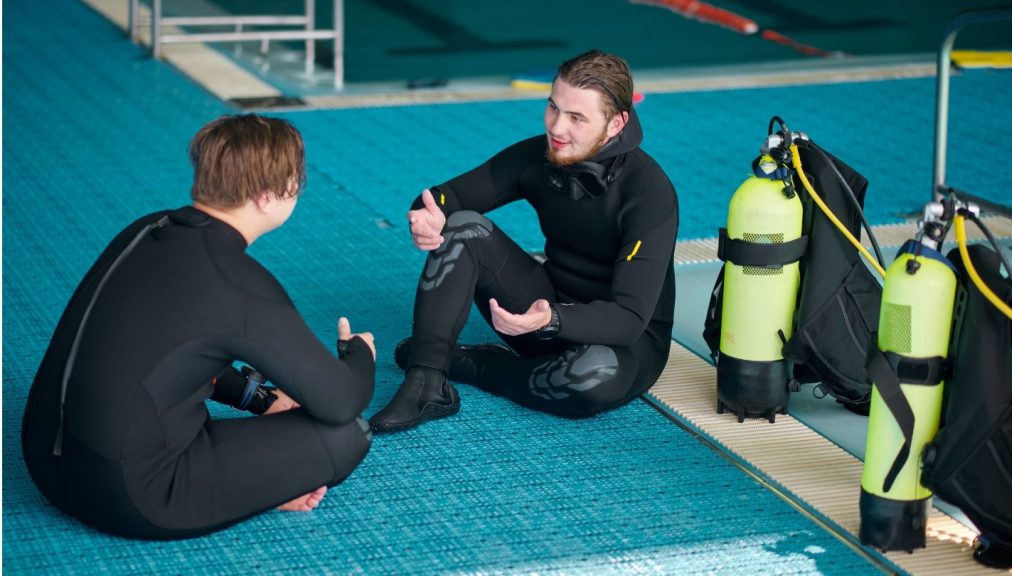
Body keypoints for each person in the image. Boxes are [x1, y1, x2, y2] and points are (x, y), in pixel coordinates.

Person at [21, 114, 376, 540]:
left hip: (45, 458)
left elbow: (171, 346)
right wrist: (359, 354)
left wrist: (260, 399)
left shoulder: (148, 228)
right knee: (347, 436)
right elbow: (341, 400)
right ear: (270, 196)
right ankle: (256, 490)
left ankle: (245, 481)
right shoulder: (239, 284)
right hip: (131, 494)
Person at [370, 50, 678, 433]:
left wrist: (553, 318)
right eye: (553, 107)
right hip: (539, 310)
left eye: (577, 118)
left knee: (590, 379)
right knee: (463, 227)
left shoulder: (649, 193)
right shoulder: (542, 154)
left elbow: (630, 320)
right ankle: (427, 379)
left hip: (624, 344)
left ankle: (479, 365)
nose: (557, 128)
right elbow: (447, 198)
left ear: (616, 123)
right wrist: (427, 216)